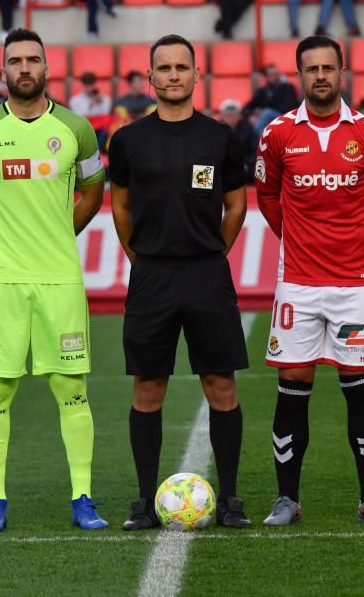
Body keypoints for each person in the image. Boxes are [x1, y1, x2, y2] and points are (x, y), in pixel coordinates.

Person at [0, 28, 109, 532]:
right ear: (2, 71)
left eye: (32, 60)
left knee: (72, 388)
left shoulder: (79, 129)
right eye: (15, 60)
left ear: (46, 67)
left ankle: (82, 496)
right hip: (1, 282)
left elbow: (93, 190)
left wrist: (63, 234)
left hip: (60, 280)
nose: (24, 68)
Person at [254, 35, 364, 527]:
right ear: (300, 76)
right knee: (292, 387)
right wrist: (296, 239)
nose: (321, 76)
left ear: (343, 73)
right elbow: (269, 199)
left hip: (353, 285)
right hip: (297, 283)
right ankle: (286, 499)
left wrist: (361, 244)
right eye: (311, 69)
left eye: (328, 68)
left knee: (359, 388)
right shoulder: (276, 134)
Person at [109, 34, 252, 531]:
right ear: (149, 79)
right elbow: (121, 207)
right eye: (163, 68)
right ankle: (145, 505)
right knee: (148, 387)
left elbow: (237, 205)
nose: (173, 75)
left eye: (181, 67)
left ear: (197, 76)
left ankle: (231, 500)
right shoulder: (128, 140)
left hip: (207, 274)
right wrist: (139, 257)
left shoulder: (220, 138)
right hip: (152, 277)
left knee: (221, 385)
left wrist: (215, 251)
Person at [244, 64, 301, 135]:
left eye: (276, 74)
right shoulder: (263, 91)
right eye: (272, 74)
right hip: (268, 121)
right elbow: (247, 107)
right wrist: (251, 116)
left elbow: (289, 106)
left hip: (286, 116)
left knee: (267, 112)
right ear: (267, 77)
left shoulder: (288, 87)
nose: (276, 76)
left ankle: (259, 135)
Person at [69, 71, 113, 150]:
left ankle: (98, 150)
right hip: (85, 130)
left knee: (107, 125)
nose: (89, 88)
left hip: (100, 130)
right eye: (87, 85)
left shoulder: (104, 99)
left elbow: (106, 113)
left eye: (91, 84)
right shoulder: (75, 100)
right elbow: (79, 117)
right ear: (83, 85)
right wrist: (91, 105)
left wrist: (101, 101)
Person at [219, 99, 259, 182]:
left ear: (239, 116)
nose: (230, 118)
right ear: (222, 115)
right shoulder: (215, 129)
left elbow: (256, 150)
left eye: (233, 115)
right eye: (227, 115)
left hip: (244, 167)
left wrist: (247, 164)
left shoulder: (248, 129)